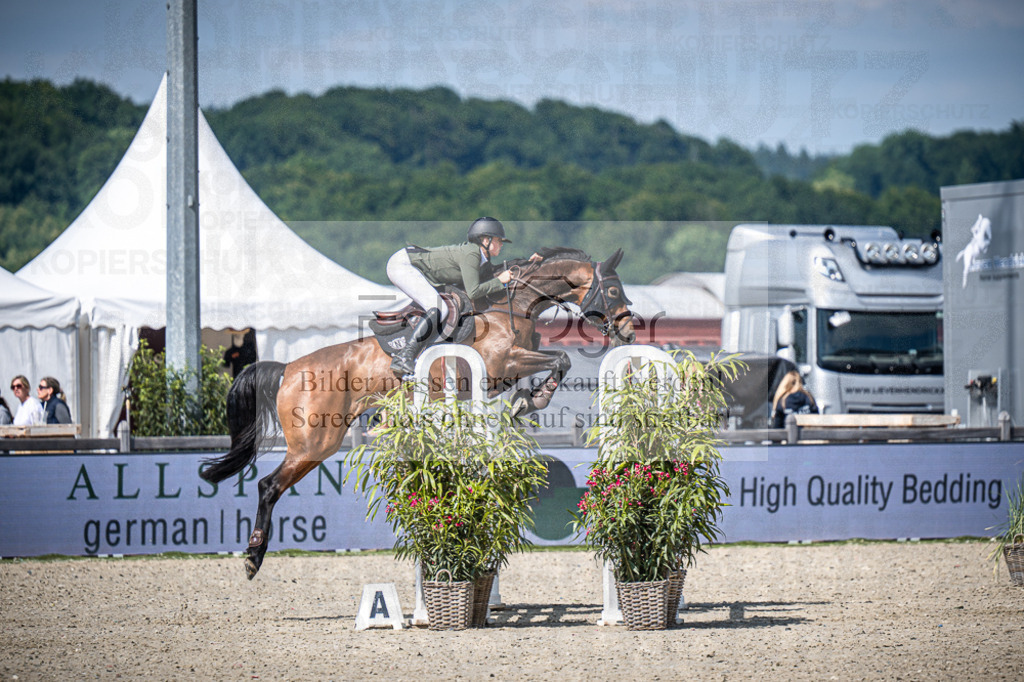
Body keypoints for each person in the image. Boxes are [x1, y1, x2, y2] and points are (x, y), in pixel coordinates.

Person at [384, 217, 518, 378]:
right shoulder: (472, 254)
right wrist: (499, 281)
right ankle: (404, 356)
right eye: (498, 240)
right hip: (403, 265)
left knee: (439, 306)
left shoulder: (483, 258)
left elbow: (490, 278)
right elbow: (474, 291)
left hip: (410, 264)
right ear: (485, 240)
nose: (501, 244)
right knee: (440, 308)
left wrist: (531, 262)